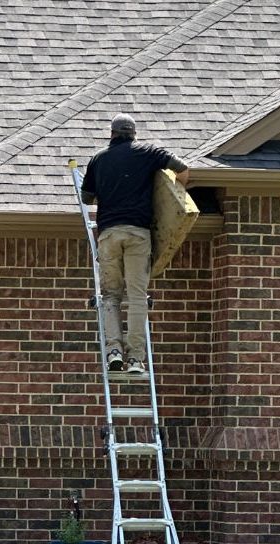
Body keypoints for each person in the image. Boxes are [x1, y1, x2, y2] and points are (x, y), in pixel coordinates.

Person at [80, 113, 189, 375]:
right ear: (134, 134)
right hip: (139, 235)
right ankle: (136, 359)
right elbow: (182, 168)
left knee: (110, 296)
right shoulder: (148, 152)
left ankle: (114, 351)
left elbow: (86, 198)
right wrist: (174, 196)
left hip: (109, 235)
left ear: (112, 134)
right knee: (138, 297)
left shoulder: (98, 159)